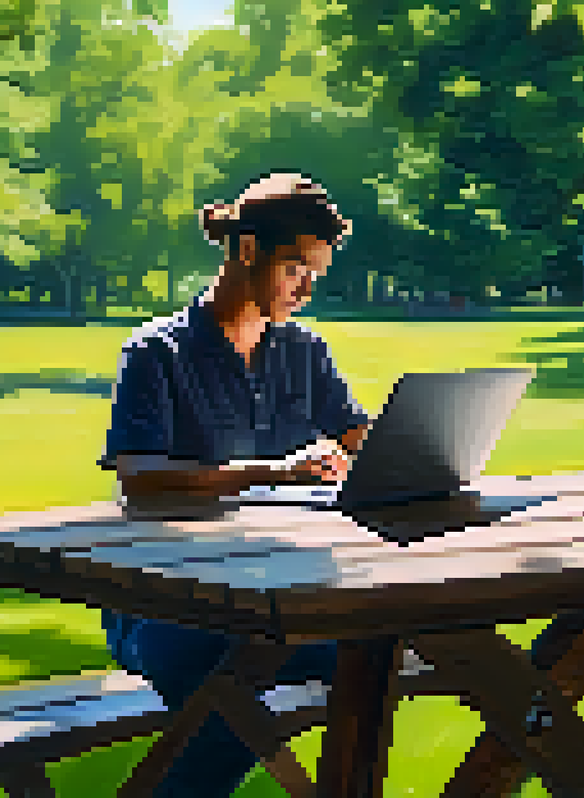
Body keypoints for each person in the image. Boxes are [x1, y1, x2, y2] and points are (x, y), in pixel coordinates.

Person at [97, 172, 376, 797]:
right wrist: (273, 472)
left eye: (315, 274)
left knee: (387, 654)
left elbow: (362, 437)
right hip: (165, 607)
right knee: (225, 702)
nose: (306, 288)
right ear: (246, 251)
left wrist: (420, 447)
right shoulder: (156, 353)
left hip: (281, 596)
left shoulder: (305, 352)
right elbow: (140, 482)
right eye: (295, 268)